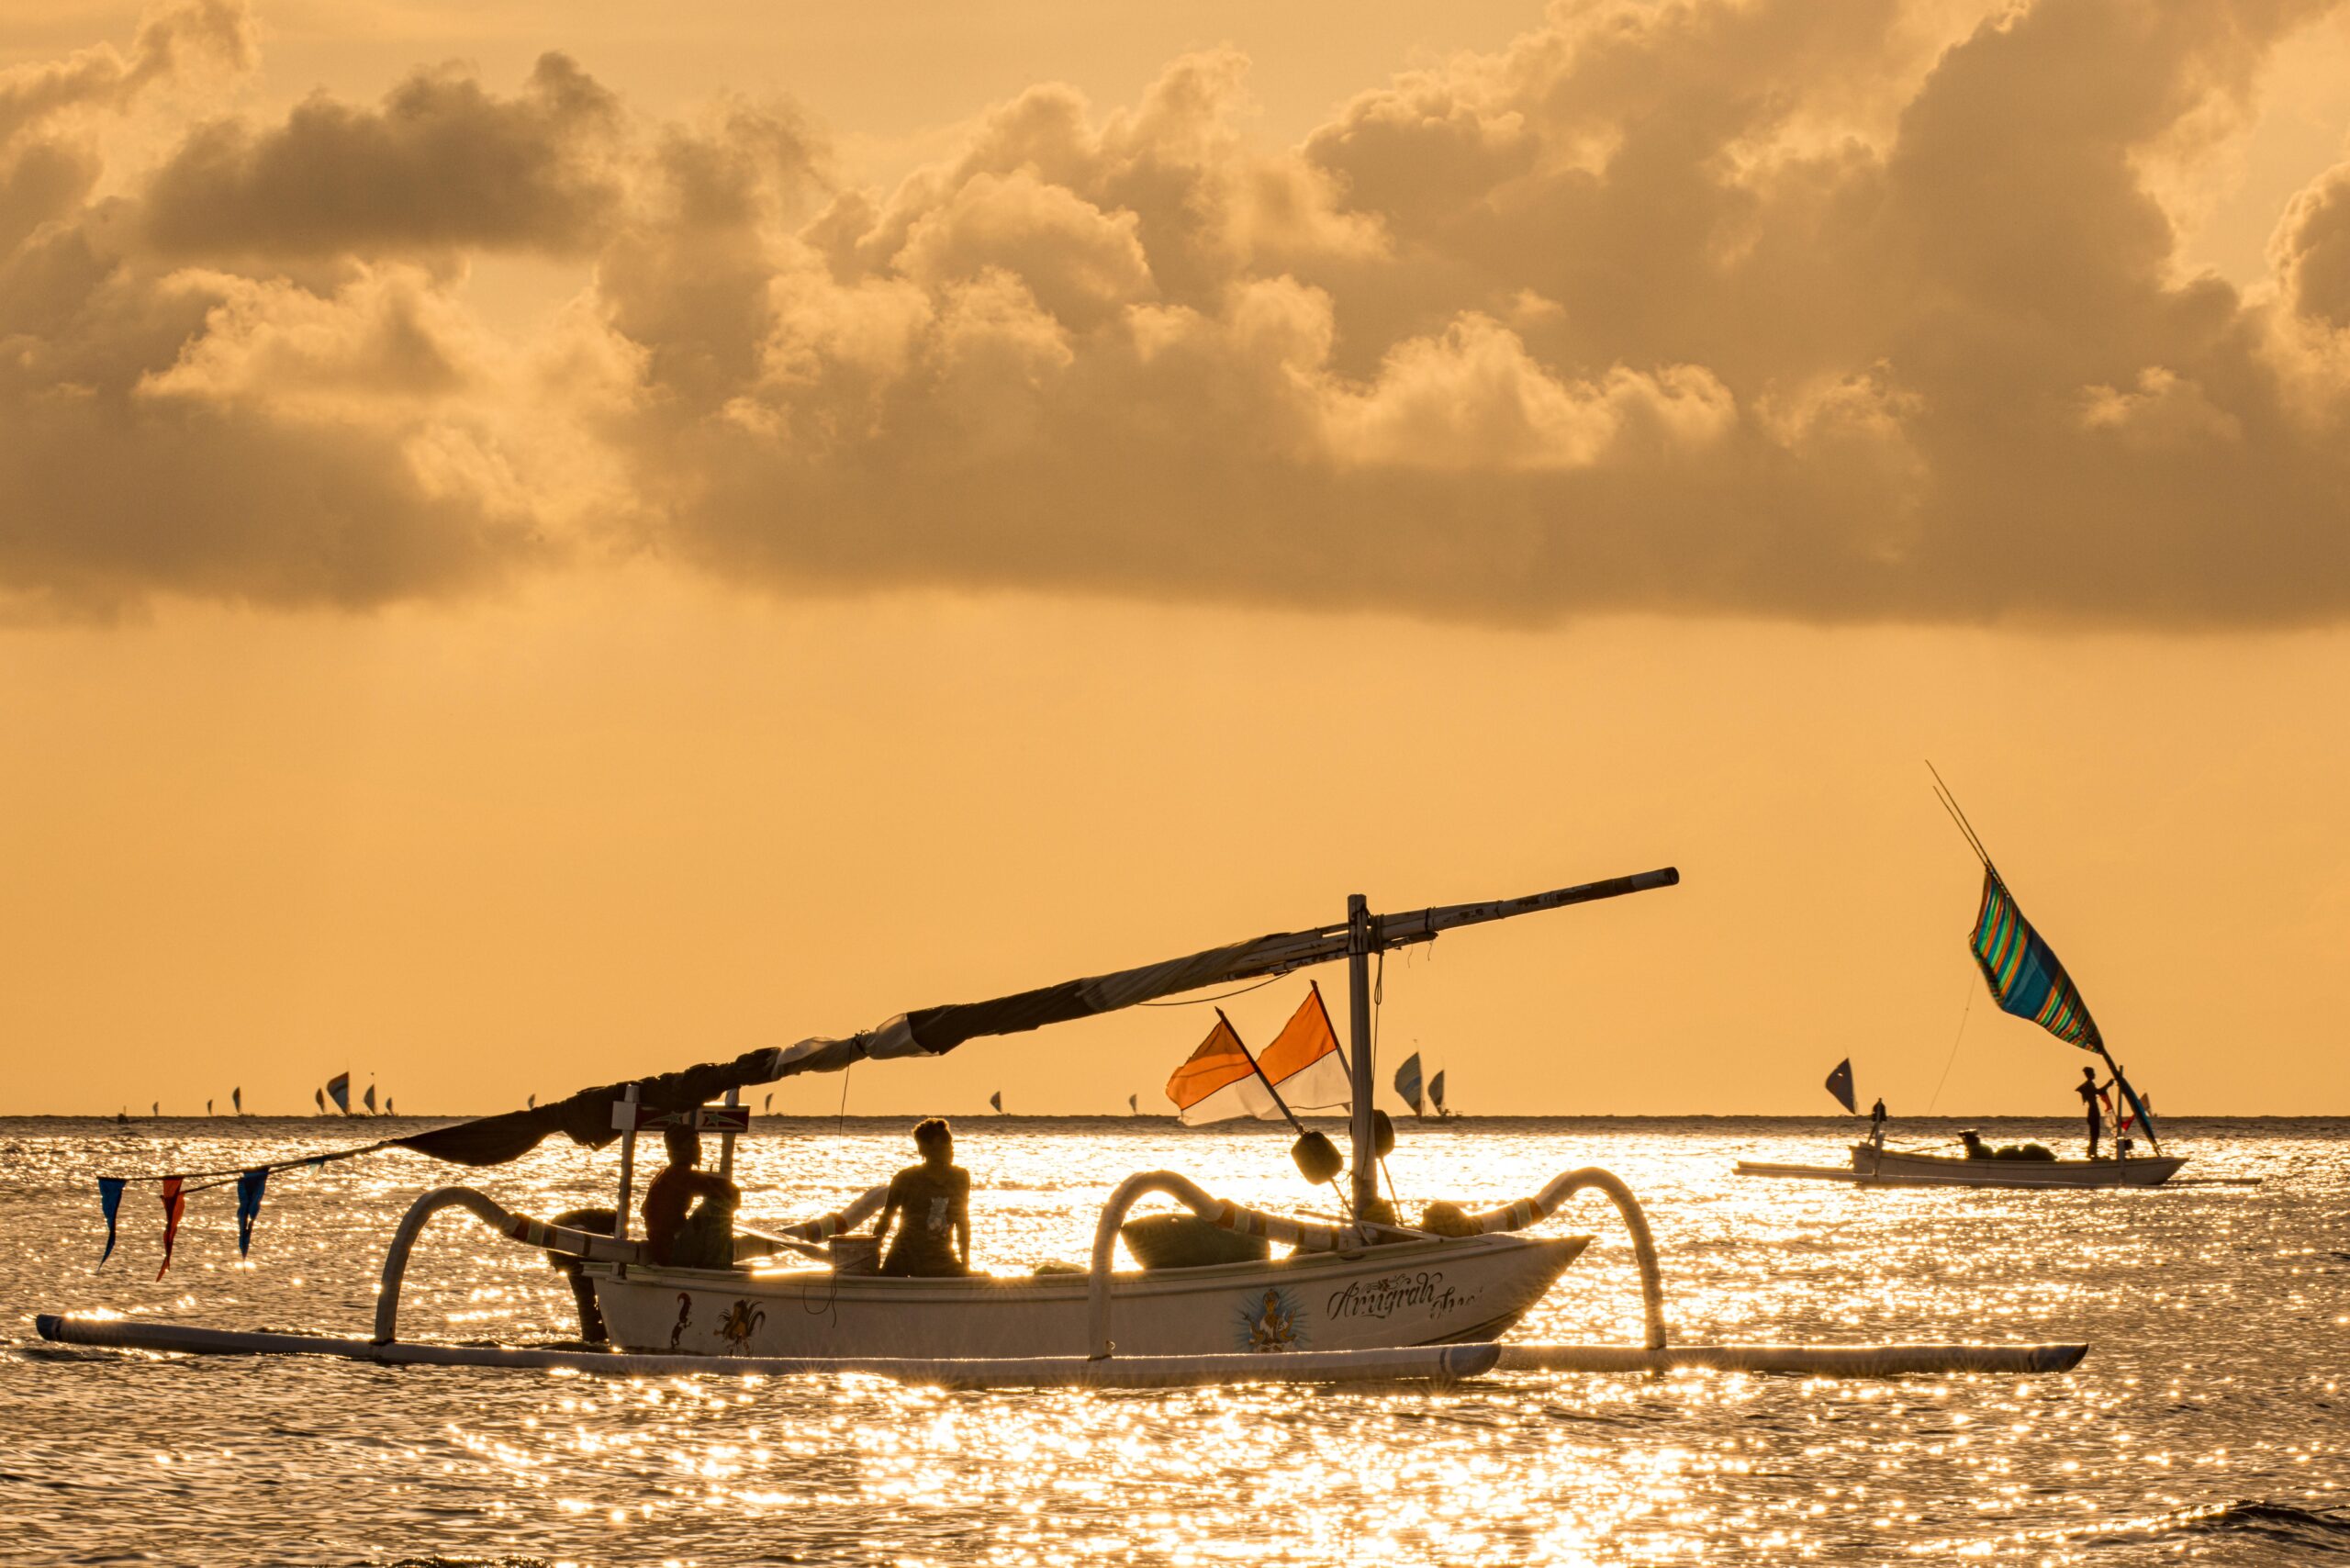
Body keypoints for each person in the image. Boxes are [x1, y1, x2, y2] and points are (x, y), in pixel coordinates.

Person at [875, 1117, 971, 1276]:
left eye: (950, 1142)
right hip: (904, 1256)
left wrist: (965, 1264)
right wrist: (872, 1256)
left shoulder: (960, 1177)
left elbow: (962, 1221)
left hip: (940, 1258)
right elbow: (886, 1219)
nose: (951, 1148)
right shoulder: (905, 1178)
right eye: (944, 1143)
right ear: (925, 1149)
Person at [642, 1124, 740, 1268]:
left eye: (698, 1143)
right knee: (717, 1206)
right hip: (672, 1253)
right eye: (693, 1143)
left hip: (667, 1250)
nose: (699, 1148)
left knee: (714, 1204)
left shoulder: (666, 1174)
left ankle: (713, 1262)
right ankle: (718, 1269)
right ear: (678, 1150)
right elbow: (727, 1190)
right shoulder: (678, 1175)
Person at [2075, 1065, 2115, 1159]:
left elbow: (2099, 1091)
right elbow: (2100, 1091)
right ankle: (2092, 1153)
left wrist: (2108, 1085)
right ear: (2089, 1074)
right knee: (2095, 1134)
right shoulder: (2089, 1085)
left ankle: (2091, 1152)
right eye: (2093, 1073)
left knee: (2095, 1134)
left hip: (2093, 1111)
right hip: (2093, 1112)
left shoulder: (2089, 1084)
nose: (2094, 1074)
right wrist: (2108, 1084)